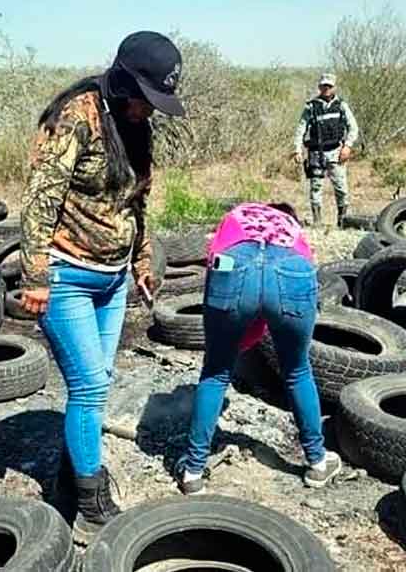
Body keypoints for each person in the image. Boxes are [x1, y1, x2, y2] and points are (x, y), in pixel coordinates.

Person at [18, 31, 185, 542]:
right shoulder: (77, 116)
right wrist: (36, 275)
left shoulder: (138, 127)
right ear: (122, 81)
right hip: (67, 273)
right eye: (144, 98)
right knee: (89, 387)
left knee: (98, 381)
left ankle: (70, 483)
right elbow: (40, 198)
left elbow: (138, 202)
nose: (147, 110)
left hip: (113, 279)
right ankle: (91, 506)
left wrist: (142, 259)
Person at [175, 201, 342, 495]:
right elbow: (285, 283)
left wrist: (238, 337)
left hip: (233, 264)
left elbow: (214, 260)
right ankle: (317, 461)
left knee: (215, 372)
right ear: (288, 215)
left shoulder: (237, 215)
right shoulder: (293, 228)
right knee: (297, 370)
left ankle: (193, 471)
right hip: (293, 268)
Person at [291, 73, 360, 228]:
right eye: (323, 86)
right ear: (319, 87)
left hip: (336, 152)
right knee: (315, 187)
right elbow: (300, 129)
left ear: (334, 87)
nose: (326, 89)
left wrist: (347, 146)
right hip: (316, 153)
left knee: (341, 188)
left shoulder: (341, 105)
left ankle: (342, 221)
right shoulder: (311, 107)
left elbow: (353, 128)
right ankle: (317, 222)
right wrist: (297, 149)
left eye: (329, 86)